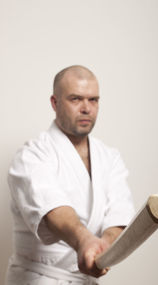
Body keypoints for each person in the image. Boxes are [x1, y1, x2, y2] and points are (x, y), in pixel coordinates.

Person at [5, 65, 135, 285]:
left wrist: (104, 247)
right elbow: (53, 209)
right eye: (76, 99)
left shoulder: (110, 157)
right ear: (54, 103)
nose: (86, 108)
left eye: (93, 100)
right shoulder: (31, 156)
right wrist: (84, 241)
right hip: (39, 279)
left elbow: (119, 214)